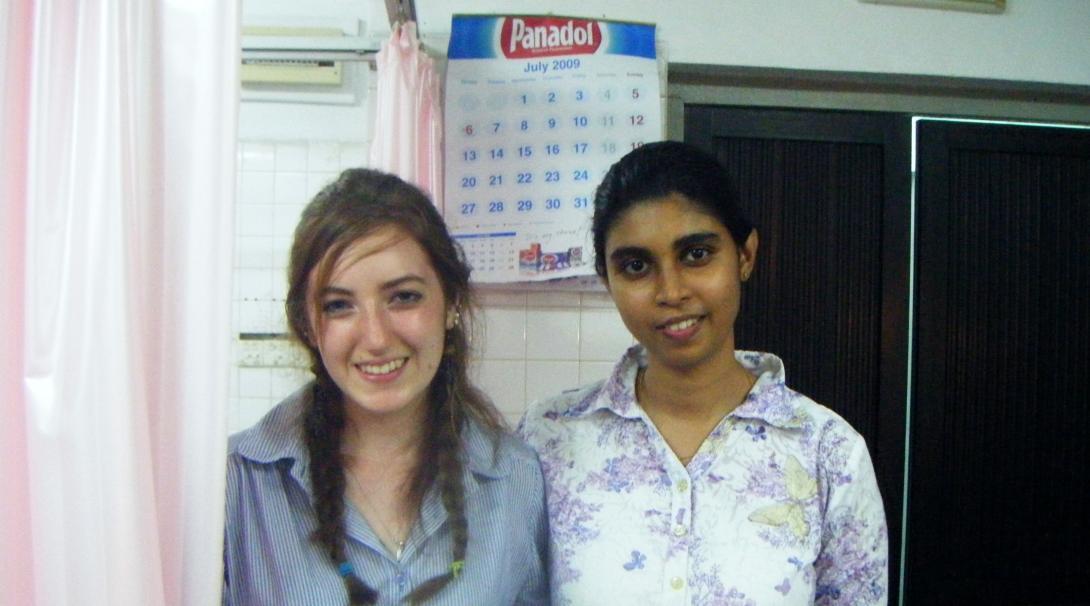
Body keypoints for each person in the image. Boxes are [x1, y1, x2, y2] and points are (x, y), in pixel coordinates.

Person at [519, 141, 888, 605]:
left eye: (696, 254)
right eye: (636, 266)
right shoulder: (547, 439)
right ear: (607, 278)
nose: (671, 291)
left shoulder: (829, 454)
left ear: (745, 256)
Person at [224, 169, 549, 605]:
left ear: (451, 303)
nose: (375, 338)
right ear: (307, 323)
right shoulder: (238, 485)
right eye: (339, 306)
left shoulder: (516, 479)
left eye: (403, 297)